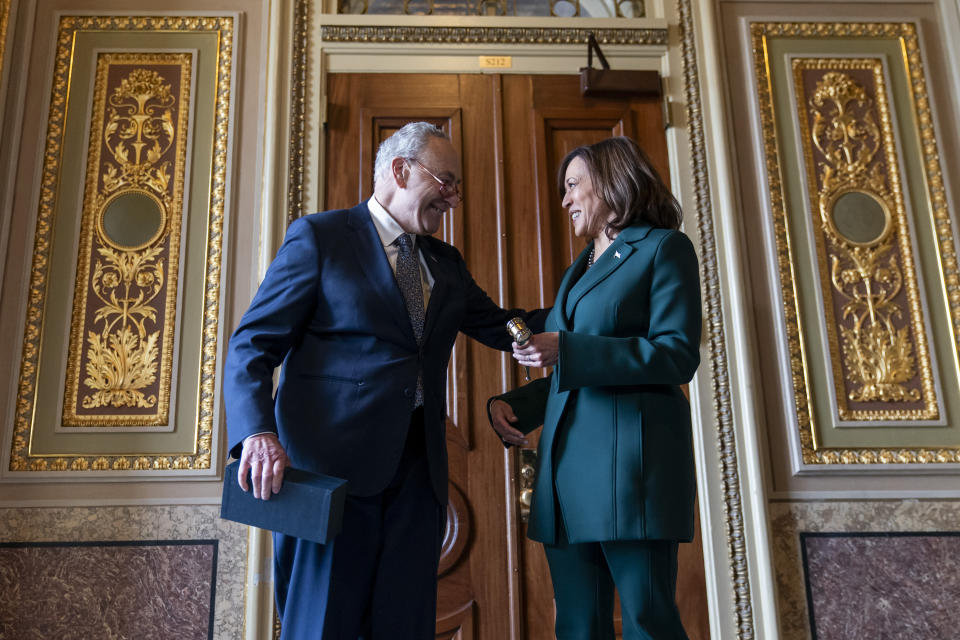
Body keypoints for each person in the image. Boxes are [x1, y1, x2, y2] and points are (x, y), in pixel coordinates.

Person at [223, 122, 546, 640]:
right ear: (401, 170)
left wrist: (587, 310)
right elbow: (251, 347)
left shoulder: (446, 262)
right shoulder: (322, 238)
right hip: (329, 478)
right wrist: (257, 435)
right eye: (447, 180)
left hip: (418, 479)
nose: (455, 197)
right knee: (322, 627)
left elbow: (502, 324)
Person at [488, 136, 701, 640]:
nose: (564, 200)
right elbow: (573, 369)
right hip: (565, 479)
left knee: (649, 625)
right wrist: (515, 406)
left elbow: (676, 355)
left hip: (631, 476)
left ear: (609, 182)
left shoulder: (664, 248)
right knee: (578, 629)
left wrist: (567, 347)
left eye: (572, 185)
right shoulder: (578, 269)